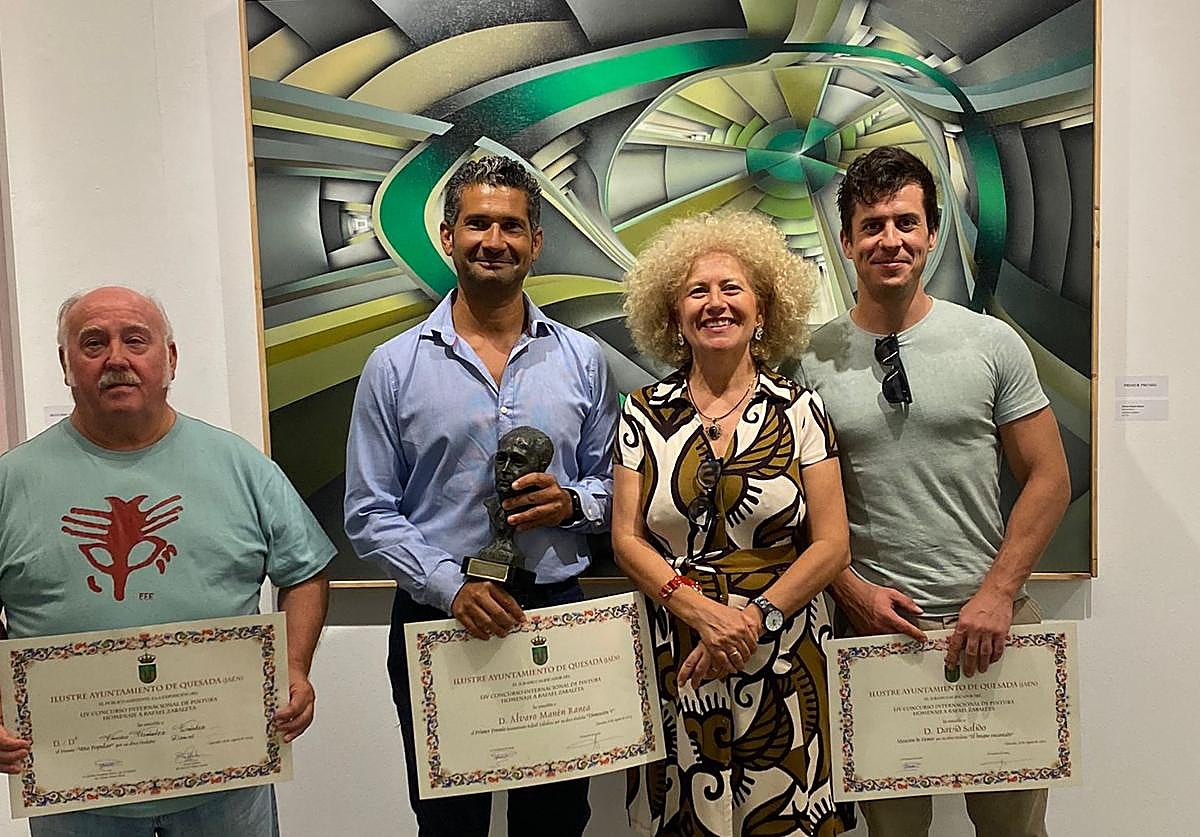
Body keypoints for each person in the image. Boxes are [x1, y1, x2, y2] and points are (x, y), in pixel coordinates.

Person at [798, 146, 1071, 837]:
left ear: (931, 231)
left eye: (905, 222)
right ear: (847, 239)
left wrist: (999, 592)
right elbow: (792, 504)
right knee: (892, 832)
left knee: (1015, 831)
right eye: (872, 225)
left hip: (997, 626)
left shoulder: (991, 342)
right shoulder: (807, 359)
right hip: (874, 632)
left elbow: (1048, 477)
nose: (890, 239)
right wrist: (852, 593)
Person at [343, 155, 617, 837]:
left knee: (555, 821)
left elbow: (618, 489)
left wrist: (573, 504)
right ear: (447, 235)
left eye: (511, 226)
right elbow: (368, 510)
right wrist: (447, 585)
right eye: (478, 223)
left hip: (555, 611)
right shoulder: (394, 366)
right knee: (449, 822)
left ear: (535, 242)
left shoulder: (583, 360)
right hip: (440, 616)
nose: (494, 240)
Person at [0, 286, 334, 836]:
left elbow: (305, 572)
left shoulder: (240, 467)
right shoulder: (13, 482)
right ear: (65, 364)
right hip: (75, 789)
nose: (116, 359)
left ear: (170, 359)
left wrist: (295, 666)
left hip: (224, 776)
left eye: (135, 340)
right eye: (92, 343)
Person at [613, 211, 850, 837]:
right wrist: (695, 609)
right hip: (678, 655)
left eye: (732, 288)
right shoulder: (639, 412)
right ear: (672, 316)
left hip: (785, 651)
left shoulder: (801, 409)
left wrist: (754, 617)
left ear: (764, 309)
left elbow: (831, 545)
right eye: (697, 291)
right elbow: (626, 539)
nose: (715, 304)